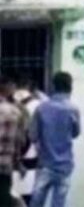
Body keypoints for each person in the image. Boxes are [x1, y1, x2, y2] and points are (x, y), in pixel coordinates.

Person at [29, 72, 80, 207]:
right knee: (59, 203)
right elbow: (76, 133)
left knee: (36, 202)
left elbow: (32, 135)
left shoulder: (41, 108)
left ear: (53, 86)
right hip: (65, 165)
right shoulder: (73, 109)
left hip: (45, 163)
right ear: (70, 87)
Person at [12, 75, 45, 206]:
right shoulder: (39, 104)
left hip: (10, 160)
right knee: (29, 197)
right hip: (32, 158)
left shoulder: (6, 103)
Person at [0, 75, 26, 207]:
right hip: (4, 166)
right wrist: (18, 163)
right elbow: (18, 142)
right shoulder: (14, 111)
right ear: (8, 87)